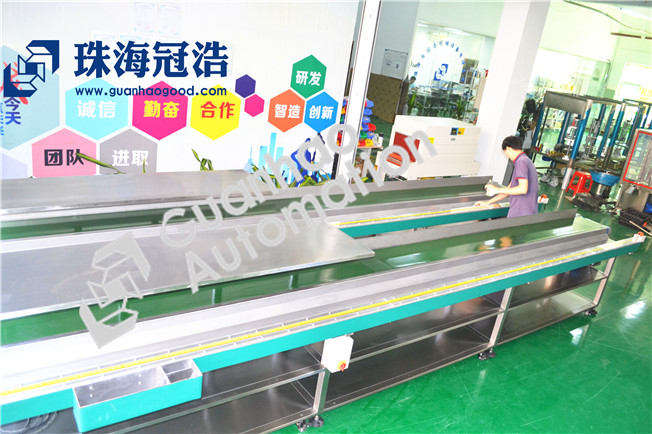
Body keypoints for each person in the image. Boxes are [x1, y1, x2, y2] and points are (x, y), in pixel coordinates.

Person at [475, 135, 539, 217]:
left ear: (508, 149)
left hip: (520, 213)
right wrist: (488, 202)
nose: (507, 155)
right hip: (528, 211)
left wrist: (496, 189)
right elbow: (508, 190)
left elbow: (523, 189)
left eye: (505, 152)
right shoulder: (526, 161)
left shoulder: (521, 162)